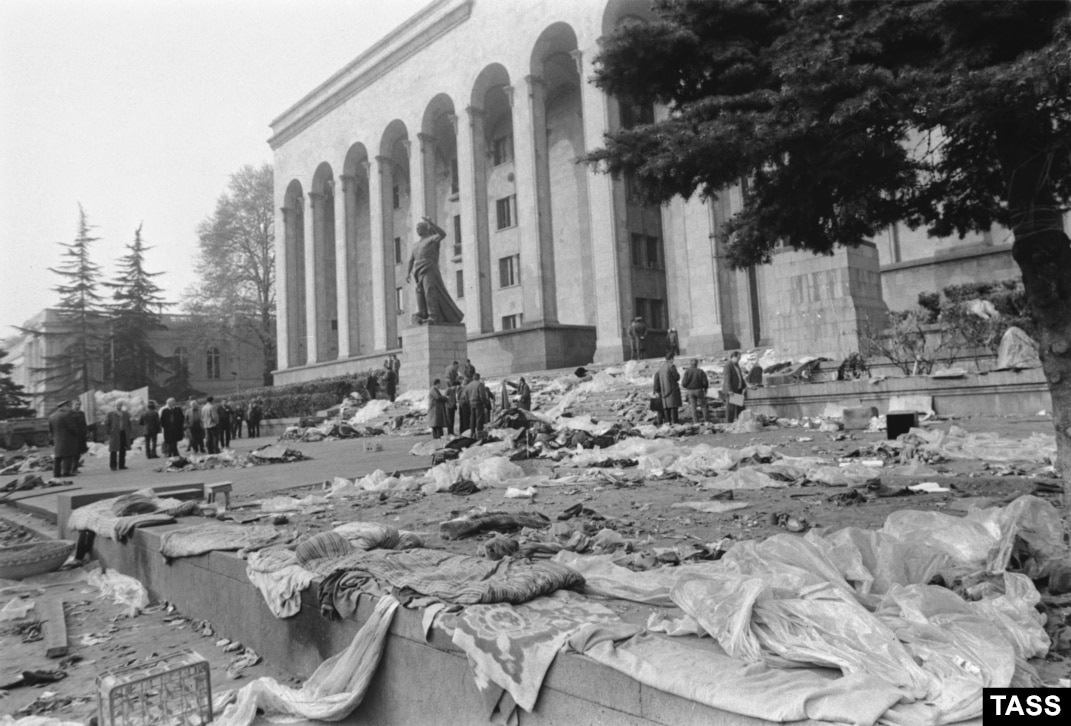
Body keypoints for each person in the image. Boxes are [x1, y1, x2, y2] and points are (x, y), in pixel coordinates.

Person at [406, 216, 465, 325]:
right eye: (417, 228)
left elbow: (443, 234)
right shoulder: (415, 245)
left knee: (430, 291)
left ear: (426, 229)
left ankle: (433, 316)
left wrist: (431, 224)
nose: (418, 229)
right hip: (418, 271)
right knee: (420, 292)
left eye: (420, 227)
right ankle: (423, 312)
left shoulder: (432, 239)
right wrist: (408, 273)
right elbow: (410, 260)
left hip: (429, 268)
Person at [48, 400, 78, 478]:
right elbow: (72, 428)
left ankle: (56, 473)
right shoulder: (67, 415)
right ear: (64, 406)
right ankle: (66, 472)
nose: (69, 408)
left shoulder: (52, 416)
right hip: (67, 438)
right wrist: (77, 433)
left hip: (57, 439)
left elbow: (50, 429)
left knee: (58, 456)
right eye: (68, 406)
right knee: (68, 455)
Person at [680, 358, 709, 423]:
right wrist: (705, 388)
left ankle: (696, 422)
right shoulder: (700, 371)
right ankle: (706, 421)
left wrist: (688, 387)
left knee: (693, 407)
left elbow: (683, 384)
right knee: (704, 406)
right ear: (697, 364)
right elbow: (705, 382)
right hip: (699, 390)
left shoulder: (687, 372)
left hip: (690, 391)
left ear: (690, 364)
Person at [106, 401, 132, 471]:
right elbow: (107, 424)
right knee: (113, 450)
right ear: (115, 406)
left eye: (120, 405)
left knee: (123, 449)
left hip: (123, 433)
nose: (119, 406)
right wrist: (110, 432)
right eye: (117, 405)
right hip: (114, 434)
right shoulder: (111, 414)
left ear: (122, 406)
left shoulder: (125, 414)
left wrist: (129, 432)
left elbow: (129, 423)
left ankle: (121, 465)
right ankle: (113, 466)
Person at [722, 350, 747, 423]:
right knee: (731, 409)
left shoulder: (736, 365)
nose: (739, 359)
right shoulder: (728, 365)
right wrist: (730, 390)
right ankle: (729, 423)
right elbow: (727, 379)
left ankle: (739, 422)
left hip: (737, 389)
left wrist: (744, 385)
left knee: (739, 407)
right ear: (733, 356)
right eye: (738, 358)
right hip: (732, 390)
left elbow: (740, 376)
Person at [656, 353, 681, 425]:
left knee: (666, 409)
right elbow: (677, 377)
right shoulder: (672, 366)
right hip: (672, 391)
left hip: (664, 392)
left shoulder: (661, 367)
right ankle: (675, 424)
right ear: (671, 358)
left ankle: (668, 424)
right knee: (673, 408)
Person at [69, 398, 88, 473]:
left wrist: (86, 432)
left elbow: (84, 424)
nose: (78, 406)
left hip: (81, 436)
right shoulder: (70, 413)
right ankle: (71, 468)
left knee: (79, 452)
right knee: (73, 453)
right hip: (73, 436)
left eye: (79, 404)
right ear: (72, 405)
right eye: (76, 404)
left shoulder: (81, 413)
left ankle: (75, 467)